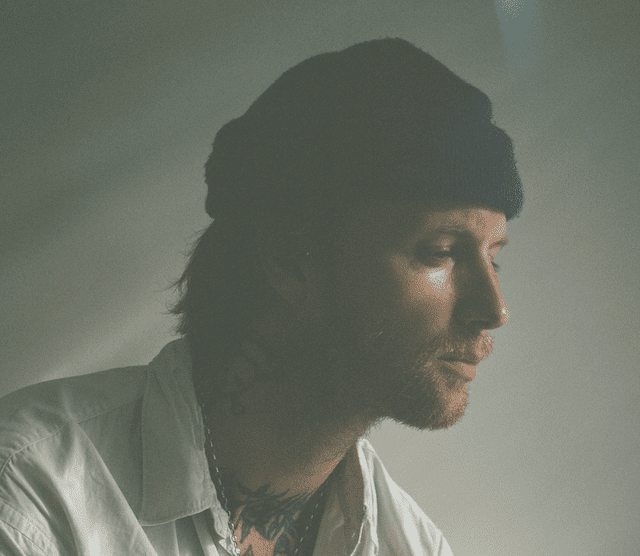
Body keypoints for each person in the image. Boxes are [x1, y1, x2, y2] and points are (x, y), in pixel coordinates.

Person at [0, 38, 523, 556]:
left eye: (493, 258)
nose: (495, 309)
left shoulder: (411, 544)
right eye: (441, 252)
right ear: (290, 259)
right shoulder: (30, 492)